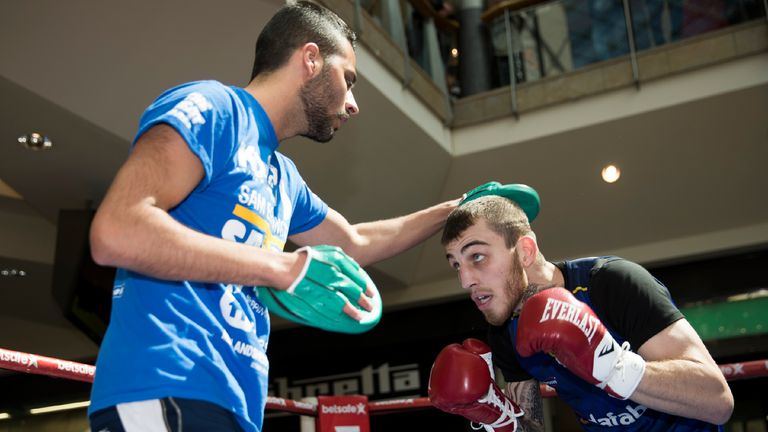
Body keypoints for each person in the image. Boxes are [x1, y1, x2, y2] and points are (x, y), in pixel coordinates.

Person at [86, 2, 465, 431]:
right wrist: (282, 267)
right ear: (310, 59)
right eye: (349, 79)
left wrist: (454, 210)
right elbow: (117, 230)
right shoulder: (215, 108)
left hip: (233, 405)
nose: (353, 104)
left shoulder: (282, 176)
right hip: (166, 386)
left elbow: (353, 244)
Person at [429, 189, 734, 431]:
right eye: (456, 264)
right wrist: (499, 419)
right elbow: (532, 428)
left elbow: (718, 400)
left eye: (477, 257)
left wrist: (611, 366)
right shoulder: (505, 329)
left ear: (524, 251)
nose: (465, 279)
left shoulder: (611, 283)